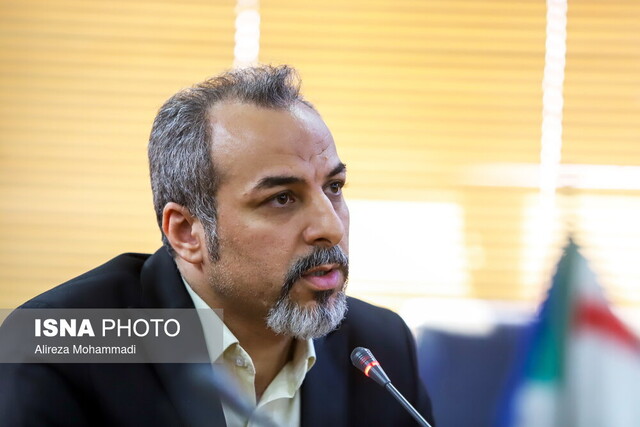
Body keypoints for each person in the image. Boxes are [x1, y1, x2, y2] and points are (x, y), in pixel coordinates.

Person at [0, 65, 435, 426]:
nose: (331, 227)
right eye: (282, 198)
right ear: (187, 232)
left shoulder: (379, 344)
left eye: (334, 187)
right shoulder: (63, 345)